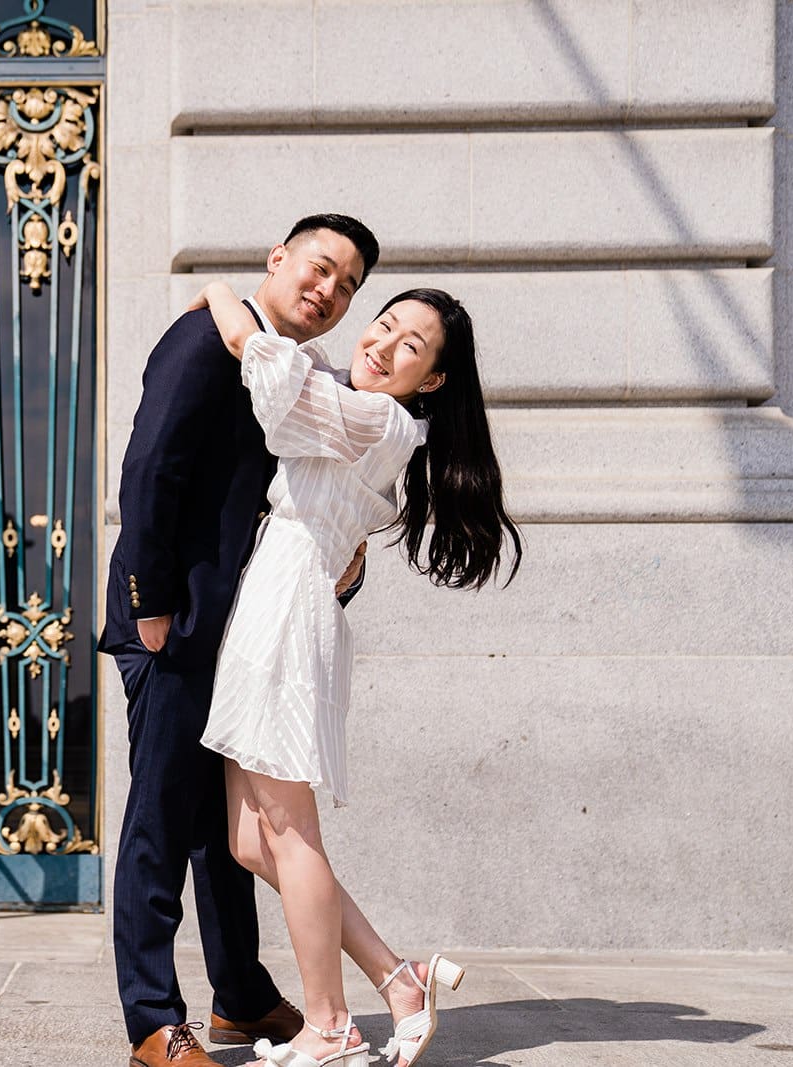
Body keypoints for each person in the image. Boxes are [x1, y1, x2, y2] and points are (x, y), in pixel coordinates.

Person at [190, 282, 522, 1067]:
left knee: (288, 828)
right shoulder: (363, 408)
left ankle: (331, 1025)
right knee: (247, 838)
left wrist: (217, 294)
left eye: (411, 345)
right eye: (385, 323)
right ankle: (398, 978)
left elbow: (269, 378)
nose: (380, 343)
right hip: (276, 598)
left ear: (433, 379)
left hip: (287, 609)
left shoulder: (378, 417)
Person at [98, 215, 381, 1067]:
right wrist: (151, 604)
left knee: (226, 823)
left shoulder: (295, 373)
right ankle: (153, 1017)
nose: (328, 290)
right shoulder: (203, 341)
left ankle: (242, 997)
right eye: (320, 267)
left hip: (251, 632)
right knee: (160, 814)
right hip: (176, 621)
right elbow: (150, 468)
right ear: (279, 259)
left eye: (347, 285)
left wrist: (349, 571)